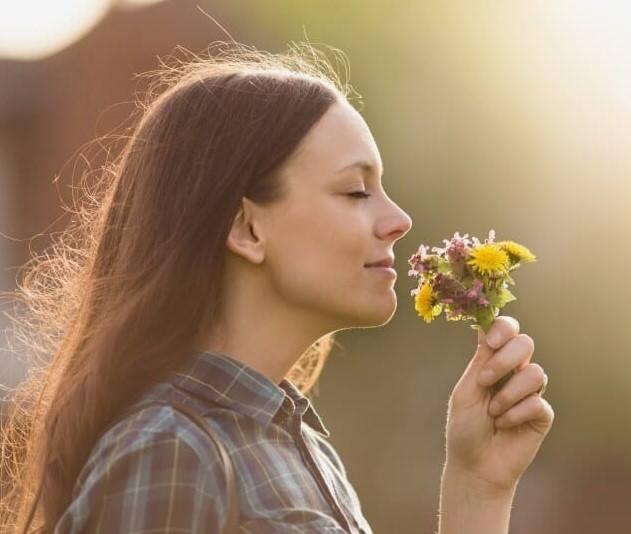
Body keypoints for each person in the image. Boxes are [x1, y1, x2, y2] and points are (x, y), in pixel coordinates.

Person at [0, 42, 553, 533]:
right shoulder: (172, 451)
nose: (399, 219)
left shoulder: (297, 448)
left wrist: (478, 484)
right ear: (247, 228)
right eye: (357, 191)